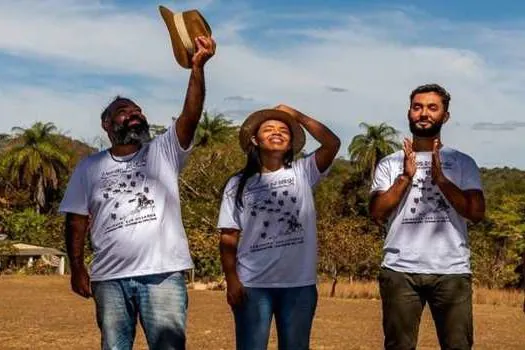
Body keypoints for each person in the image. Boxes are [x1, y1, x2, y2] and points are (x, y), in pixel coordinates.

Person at [59, 36, 215, 350]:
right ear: (106, 124)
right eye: (124, 110)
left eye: (138, 110)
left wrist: (197, 68)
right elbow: (76, 221)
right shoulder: (89, 167)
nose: (134, 113)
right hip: (109, 278)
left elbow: (191, 114)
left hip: (163, 274)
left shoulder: (164, 150)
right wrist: (77, 268)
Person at [369, 84, 486, 350]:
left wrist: (442, 181)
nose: (424, 113)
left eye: (432, 108)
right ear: (409, 113)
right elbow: (377, 211)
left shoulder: (462, 162)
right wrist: (405, 177)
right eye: (417, 107)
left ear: (445, 116)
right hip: (400, 270)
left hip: (451, 271)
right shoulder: (390, 163)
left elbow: (476, 213)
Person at [218, 105, 340, 350]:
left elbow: (332, 144)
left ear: (291, 142)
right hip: (252, 285)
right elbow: (229, 235)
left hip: (298, 285)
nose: (277, 132)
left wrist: (297, 115)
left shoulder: (303, 171)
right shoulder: (238, 183)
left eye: (284, 130)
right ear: (255, 139)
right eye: (269, 129)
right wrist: (232, 280)